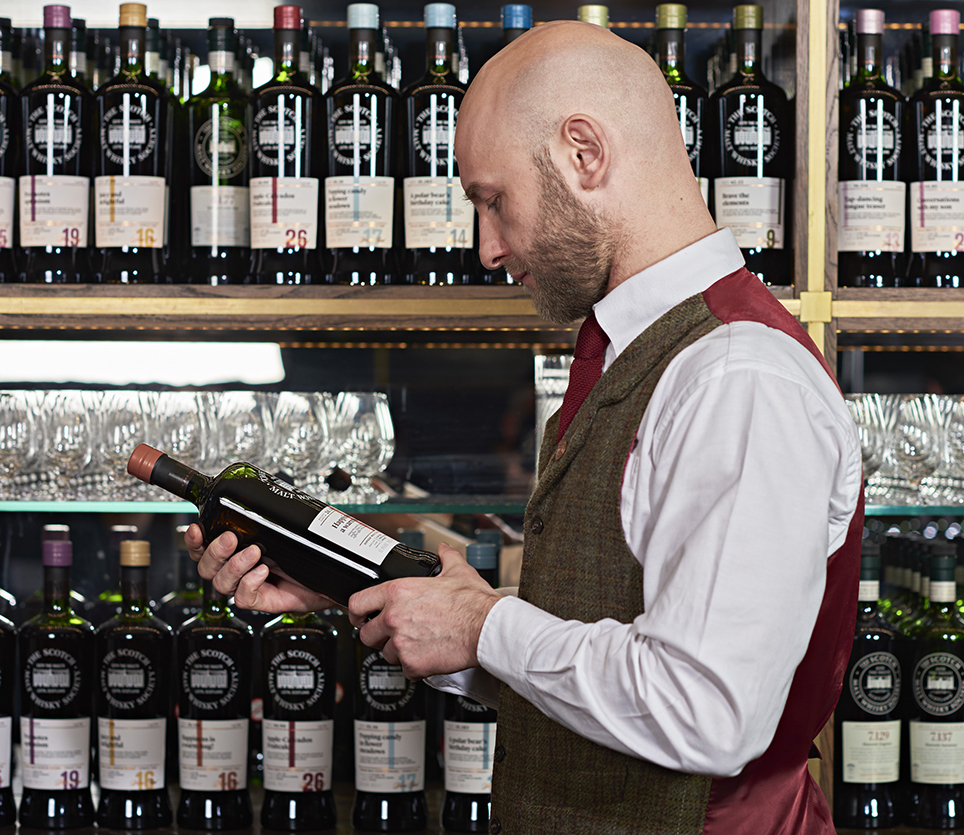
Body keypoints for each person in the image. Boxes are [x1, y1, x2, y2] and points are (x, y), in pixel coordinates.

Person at [188, 20, 864, 835]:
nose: (486, 247)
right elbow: (604, 660)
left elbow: (706, 709)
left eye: (494, 200)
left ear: (585, 153)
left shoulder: (737, 376)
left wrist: (485, 623)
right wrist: (374, 596)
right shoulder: (641, 352)